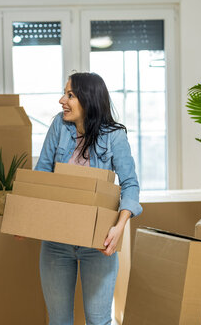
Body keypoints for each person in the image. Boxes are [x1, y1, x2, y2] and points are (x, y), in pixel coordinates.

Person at [34, 72, 141, 325]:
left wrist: (119, 227)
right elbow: (42, 175)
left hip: (98, 243)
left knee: (98, 320)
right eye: (65, 93)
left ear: (88, 99)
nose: (62, 100)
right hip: (56, 241)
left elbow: (130, 185)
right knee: (59, 321)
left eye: (70, 95)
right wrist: (29, 218)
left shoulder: (114, 135)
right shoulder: (59, 127)